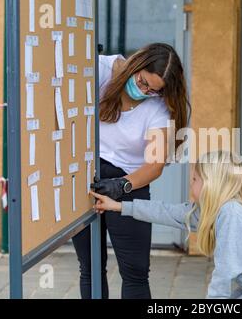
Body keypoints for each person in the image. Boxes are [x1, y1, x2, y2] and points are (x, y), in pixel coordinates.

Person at [90, 151, 242, 299]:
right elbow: (167, 211)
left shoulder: (232, 215)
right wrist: (117, 206)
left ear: (211, 184)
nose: (190, 183)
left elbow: (224, 272)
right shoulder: (212, 211)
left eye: (194, 180)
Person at [72, 43, 190, 299]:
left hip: (129, 185)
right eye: (143, 82)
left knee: (135, 273)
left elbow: (155, 165)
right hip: (87, 179)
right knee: (90, 269)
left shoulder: (157, 108)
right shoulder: (102, 71)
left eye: (153, 90)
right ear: (136, 66)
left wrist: (121, 185)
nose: (144, 91)